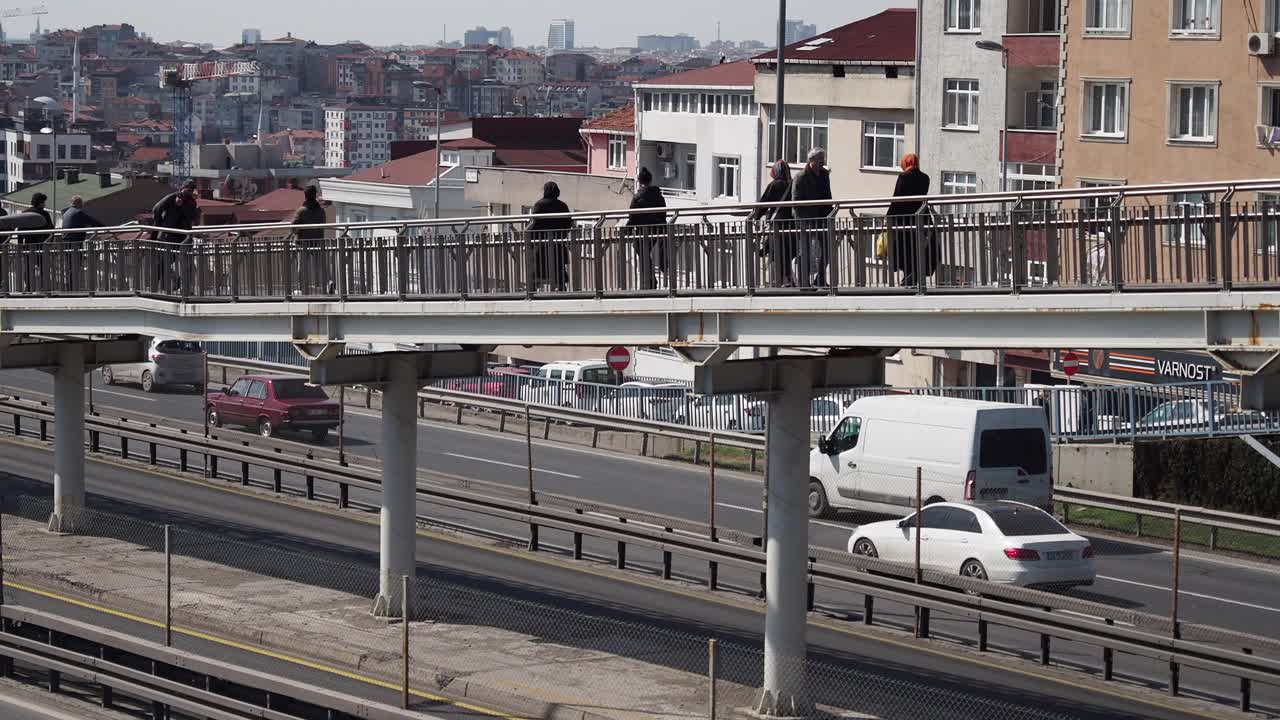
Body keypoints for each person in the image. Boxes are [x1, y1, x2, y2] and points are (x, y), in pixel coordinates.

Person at [886, 153, 932, 287]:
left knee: (904, 250)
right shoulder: (925, 178)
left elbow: (897, 198)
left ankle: (908, 278)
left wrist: (889, 216)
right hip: (922, 217)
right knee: (917, 248)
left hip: (904, 219)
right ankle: (912, 278)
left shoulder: (904, 177)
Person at [750, 160, 797, 286]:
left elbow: (763, 204)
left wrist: (755, 217)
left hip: (777, 225)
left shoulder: (774, 185)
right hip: (792, 226)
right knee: (786, 252)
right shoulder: (792, 184)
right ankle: (787, 279)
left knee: (776, 253)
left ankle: (779, 281)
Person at [791, 148, 833, 286]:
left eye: (823, 159)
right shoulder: (800, 177)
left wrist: (830, 215)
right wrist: (803, 222)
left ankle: (819, 279)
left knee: (827, 249)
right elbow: (795, 202)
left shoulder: (824, 175)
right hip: (806, 221)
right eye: (820, 160)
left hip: (822, 219)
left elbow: (828, 196)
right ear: (811, 161)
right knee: (805, 251)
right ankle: (804, 282)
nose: (822, 162)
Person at [150, 180, 200, 290]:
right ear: (182, 188)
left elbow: (192, 218)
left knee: (186, 264)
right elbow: (157, 209)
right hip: (170, 236)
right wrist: (160, 224)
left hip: (184, 236)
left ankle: (184, 287)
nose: (189, 191)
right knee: (164, 262)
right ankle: (155, 286)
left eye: (191, 189)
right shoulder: (172, 198)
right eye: (187, 188)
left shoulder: (191, 202)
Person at [625, 167, 668, 290]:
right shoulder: (659, 196)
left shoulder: (638, 197)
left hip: (642, 231)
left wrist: (626, 230)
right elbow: (663, 214)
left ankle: (650, 281)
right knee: (645, 254)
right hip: (656, 230)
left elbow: (632, 216)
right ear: (650, 180)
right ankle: (650, 280)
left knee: (642, 253)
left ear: (639, 181)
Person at [527, 181, 573, 292]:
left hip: (541, 245)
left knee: (538, 268)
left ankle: (533, 290)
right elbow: (568, 223)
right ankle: (561, 287)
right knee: (559, 267)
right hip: (558, 244)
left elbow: (533, 223)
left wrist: (532, 237)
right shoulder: (562, 205)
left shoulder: (540, 204)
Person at [291, 184, 329, 294]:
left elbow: (293, 227)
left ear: (305, 195)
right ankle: (329, 282)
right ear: (315, 194)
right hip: (317, 241)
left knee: (301, 266)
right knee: (321, 265)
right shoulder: (321, 211)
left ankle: (300, 288)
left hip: (303, 241)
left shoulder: (302, 211)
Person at [61, 196, 102, 291]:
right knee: (75, 266)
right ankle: (72, 288)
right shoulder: (78, 213)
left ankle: (69, 287)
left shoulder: (66, 213)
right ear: (80, 203)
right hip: (75, 243)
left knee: (70, 266)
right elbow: (92, 221)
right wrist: (104, 227)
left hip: (66, 242)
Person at [19, 192, 52, 292]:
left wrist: (20, 245)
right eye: (44, 202)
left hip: (28, 245)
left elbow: (20, 231)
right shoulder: (44, 214)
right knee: (43, 267)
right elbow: (51, 229)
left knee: (28, 268)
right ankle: (43, 287)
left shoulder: (25, 213)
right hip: (42, 245)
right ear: (40, 203)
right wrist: (49, 243)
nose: (45, 204)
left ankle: (28, 287)